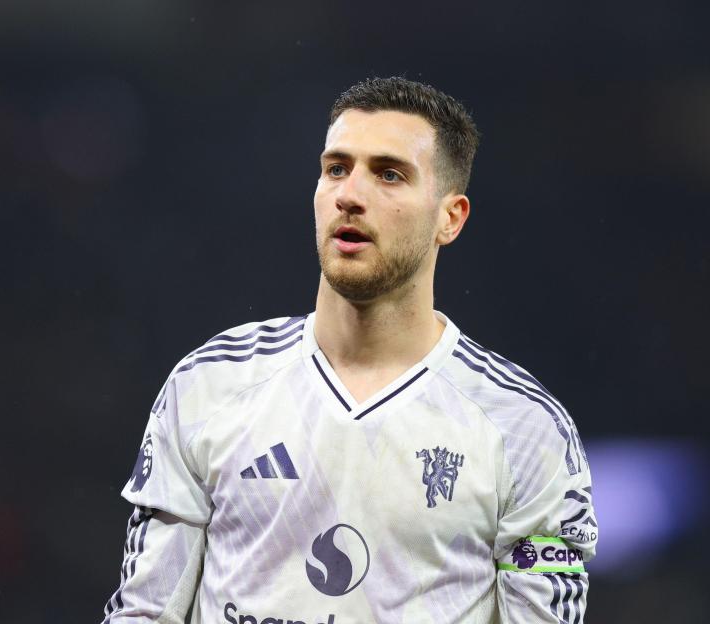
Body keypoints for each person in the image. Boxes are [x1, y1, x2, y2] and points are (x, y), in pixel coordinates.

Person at [102, 76, 597, 624]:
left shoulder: (525, 429)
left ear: (449, 218)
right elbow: (144, 613)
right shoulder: (208, 386)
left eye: (389, 175)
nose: (350, 195)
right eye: (336, 168)